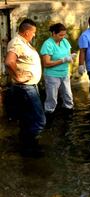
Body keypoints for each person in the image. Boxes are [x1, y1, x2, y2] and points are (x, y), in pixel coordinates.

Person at [4, 18, 46, 157]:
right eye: (33, 32)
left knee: (27, 119)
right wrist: (18, 76)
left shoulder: (23, 43)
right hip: (26, 88)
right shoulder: (17, 43)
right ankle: (28, 145)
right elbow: (9, 62)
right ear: (27, 32)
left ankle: (27, 148)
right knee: (40, 121)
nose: (34, 35)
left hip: (28, 87)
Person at [40, 23, 74, 123]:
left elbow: (68, 56)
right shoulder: (48, 44)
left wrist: (70, 61)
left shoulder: (65, 42)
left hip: (65, 73)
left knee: (68, 96)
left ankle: (68, 117)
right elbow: (46, 63)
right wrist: (63, 60)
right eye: (60, 35)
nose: (62, 37)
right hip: (52, 75)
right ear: (54, 33)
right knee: (52, 99)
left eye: (64, 35)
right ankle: (49, 117)